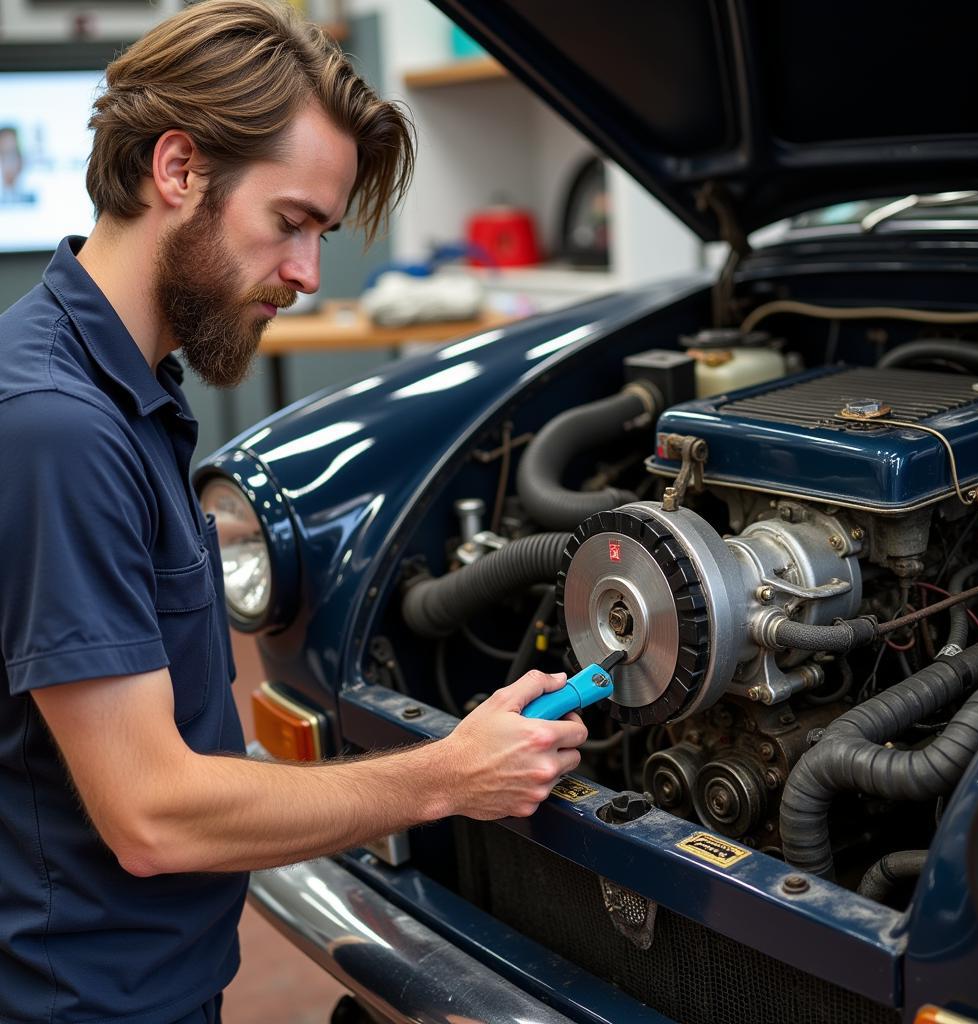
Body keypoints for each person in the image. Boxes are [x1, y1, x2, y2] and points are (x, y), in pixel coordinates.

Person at [0, 2, 588, 1021]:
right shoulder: (60, 427)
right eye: (292, 223)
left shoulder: (119, 387)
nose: (310, 277)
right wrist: (445, 776)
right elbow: (151, 814)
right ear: (177, 171)